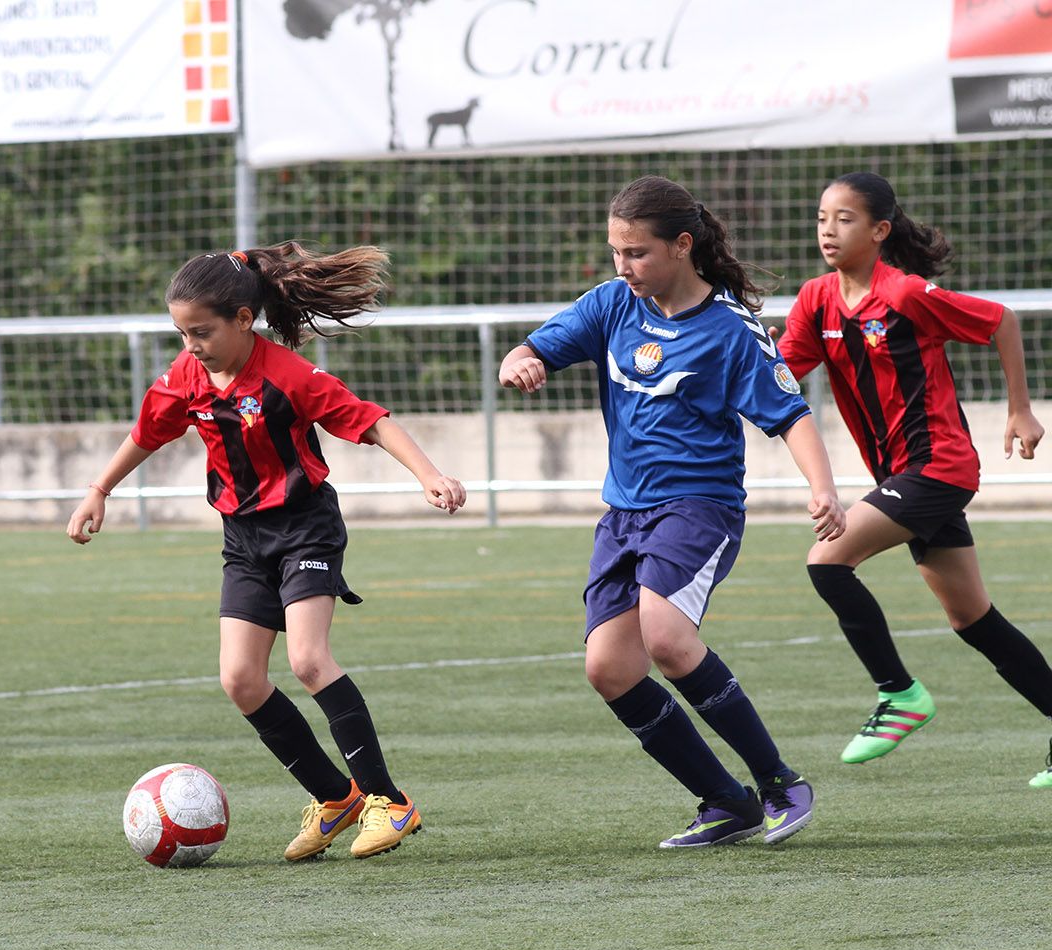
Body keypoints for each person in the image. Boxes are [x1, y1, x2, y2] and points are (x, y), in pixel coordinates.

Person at [67, 242, 465, 859]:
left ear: (244, 321)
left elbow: (373, 420)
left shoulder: (289, 376)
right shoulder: (186, 377)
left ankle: (389, 801)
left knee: (309, 660)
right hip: (244, 540)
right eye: (180, 332)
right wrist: (99, 490)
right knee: (241, 679)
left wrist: (429, 475)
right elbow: (145, 433)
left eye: (201, 332)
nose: (190, 344)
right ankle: (336, 798)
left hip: (305, 527)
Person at [499, 176, 847, 848]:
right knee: (609, 667)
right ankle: (725, 800)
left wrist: (823, 488)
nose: (623, 267)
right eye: (616, 252)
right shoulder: (610, 306)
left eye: (637, 253)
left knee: (665, 632)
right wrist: (520, 362)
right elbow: (533, 346)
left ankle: (780, 782)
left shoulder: (731, 330)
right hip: (624, 514)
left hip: (700, 507)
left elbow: (791, 414)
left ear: (682, 245)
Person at [776, 171, 1052, 783]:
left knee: (826, 561)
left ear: (878, 231)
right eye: (822, 217)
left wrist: (1019, 409)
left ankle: (897, 694)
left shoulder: (903, 294)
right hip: (903, 473)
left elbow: (1000, 321)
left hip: (939, 467)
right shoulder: (816, 299)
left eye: (844, 218)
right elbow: (779, 376)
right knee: (972, 618)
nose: (828, 228)